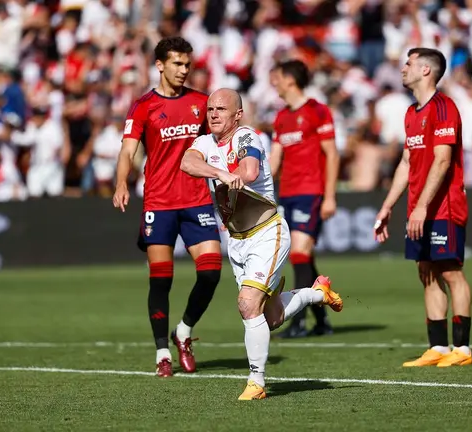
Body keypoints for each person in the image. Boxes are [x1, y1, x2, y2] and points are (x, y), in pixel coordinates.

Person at [180, 88, 343, 400]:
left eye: (221, 109)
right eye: (210, 109)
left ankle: (256, 382)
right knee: (272, 319)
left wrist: (233, 175)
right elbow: (188, 163)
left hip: (267, 232)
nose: (213, 114)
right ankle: (314, 293)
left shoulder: (247, 137)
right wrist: (220, 174)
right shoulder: (203, 142)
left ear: (237, 115)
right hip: (237, 240)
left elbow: (250, 170)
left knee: (246, 304)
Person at [113, 37, 222, 378]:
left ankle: (184, 331)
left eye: (187, 64)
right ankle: (163, 352)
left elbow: (221, 142)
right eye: (177, 63)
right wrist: (120, 182)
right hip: (159, 202)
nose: (183, 70)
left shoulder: (201, 103)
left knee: (211, 272)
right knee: (161, 281)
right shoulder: (143, 106)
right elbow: (128, 151)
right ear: (159, 64)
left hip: (197, 200)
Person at [373, 47, 472, 367]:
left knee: (450, 272)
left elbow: (443, 161)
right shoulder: (411, 113)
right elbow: (406, 162)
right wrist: (388, 206)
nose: (403, 69)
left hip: (444, 206)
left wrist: (422, 207)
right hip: (420, 206)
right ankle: (439, 347)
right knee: (426, 271)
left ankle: (463, 349)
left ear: (426, 71)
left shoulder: (444, 108)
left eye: (409, 63)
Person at [269, 59, 341, 338]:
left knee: (299, 253)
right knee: (303, 257)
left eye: (277, 76)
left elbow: (332, 154)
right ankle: (322, 318)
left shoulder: (317, 111)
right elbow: (275, 161)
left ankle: (296, 321)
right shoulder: (281, 117)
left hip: (312, 192)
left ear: (290, 79)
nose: (273, 82)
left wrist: (330, 196)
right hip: (287, 193)